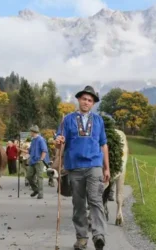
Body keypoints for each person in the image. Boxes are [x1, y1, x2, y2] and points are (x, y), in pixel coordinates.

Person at [55, 85, 110, 250]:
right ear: (79, 99)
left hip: (94, 165)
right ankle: (81, 238)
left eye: (90, 100)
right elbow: (59, 140)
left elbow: (103, 144)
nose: (86, 102)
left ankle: (99, 235)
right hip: (74, 167)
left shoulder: (99, 120)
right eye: (84, 99)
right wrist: (58, 142)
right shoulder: (67, 119)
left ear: (93, 103)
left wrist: (107, 168)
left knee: (95, 200)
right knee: (78, 204)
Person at [26, 125, 50, 199]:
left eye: (31, 131)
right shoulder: (33, 140)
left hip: (38, 161)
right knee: (29, 176)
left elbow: (44, 150)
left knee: (39, 177)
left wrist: (41, 159)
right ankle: (35, 189)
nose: (30, 133)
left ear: (34, 132)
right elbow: (29, 151)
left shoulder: (40, 139)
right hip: (32, 161)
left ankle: (40, 193)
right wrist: (20, 149)